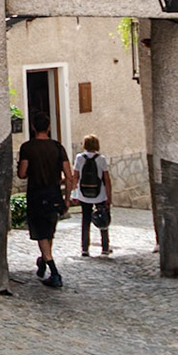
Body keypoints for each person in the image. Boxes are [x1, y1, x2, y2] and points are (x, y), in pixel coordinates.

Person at [17, 116, 73, 287]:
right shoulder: (57, 147)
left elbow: (22, 174)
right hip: (54, 194)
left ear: (33, 127)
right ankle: (43, 261)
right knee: (48, 231)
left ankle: (54, 272)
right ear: (48, 127)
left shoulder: (27, 148)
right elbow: (69, 176)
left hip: (37, 194)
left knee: (41, 233)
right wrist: (67, 200)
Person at [72, 133, 113, 256]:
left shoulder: (79, 158)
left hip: (84, 195)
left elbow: (75, 177)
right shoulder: (101, 159)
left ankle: (85, 248)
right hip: (99, 194)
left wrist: (74, 194)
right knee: (104, 219)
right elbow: (106, 179)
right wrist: (109, 196)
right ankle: (105, 247)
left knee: (85, 221)